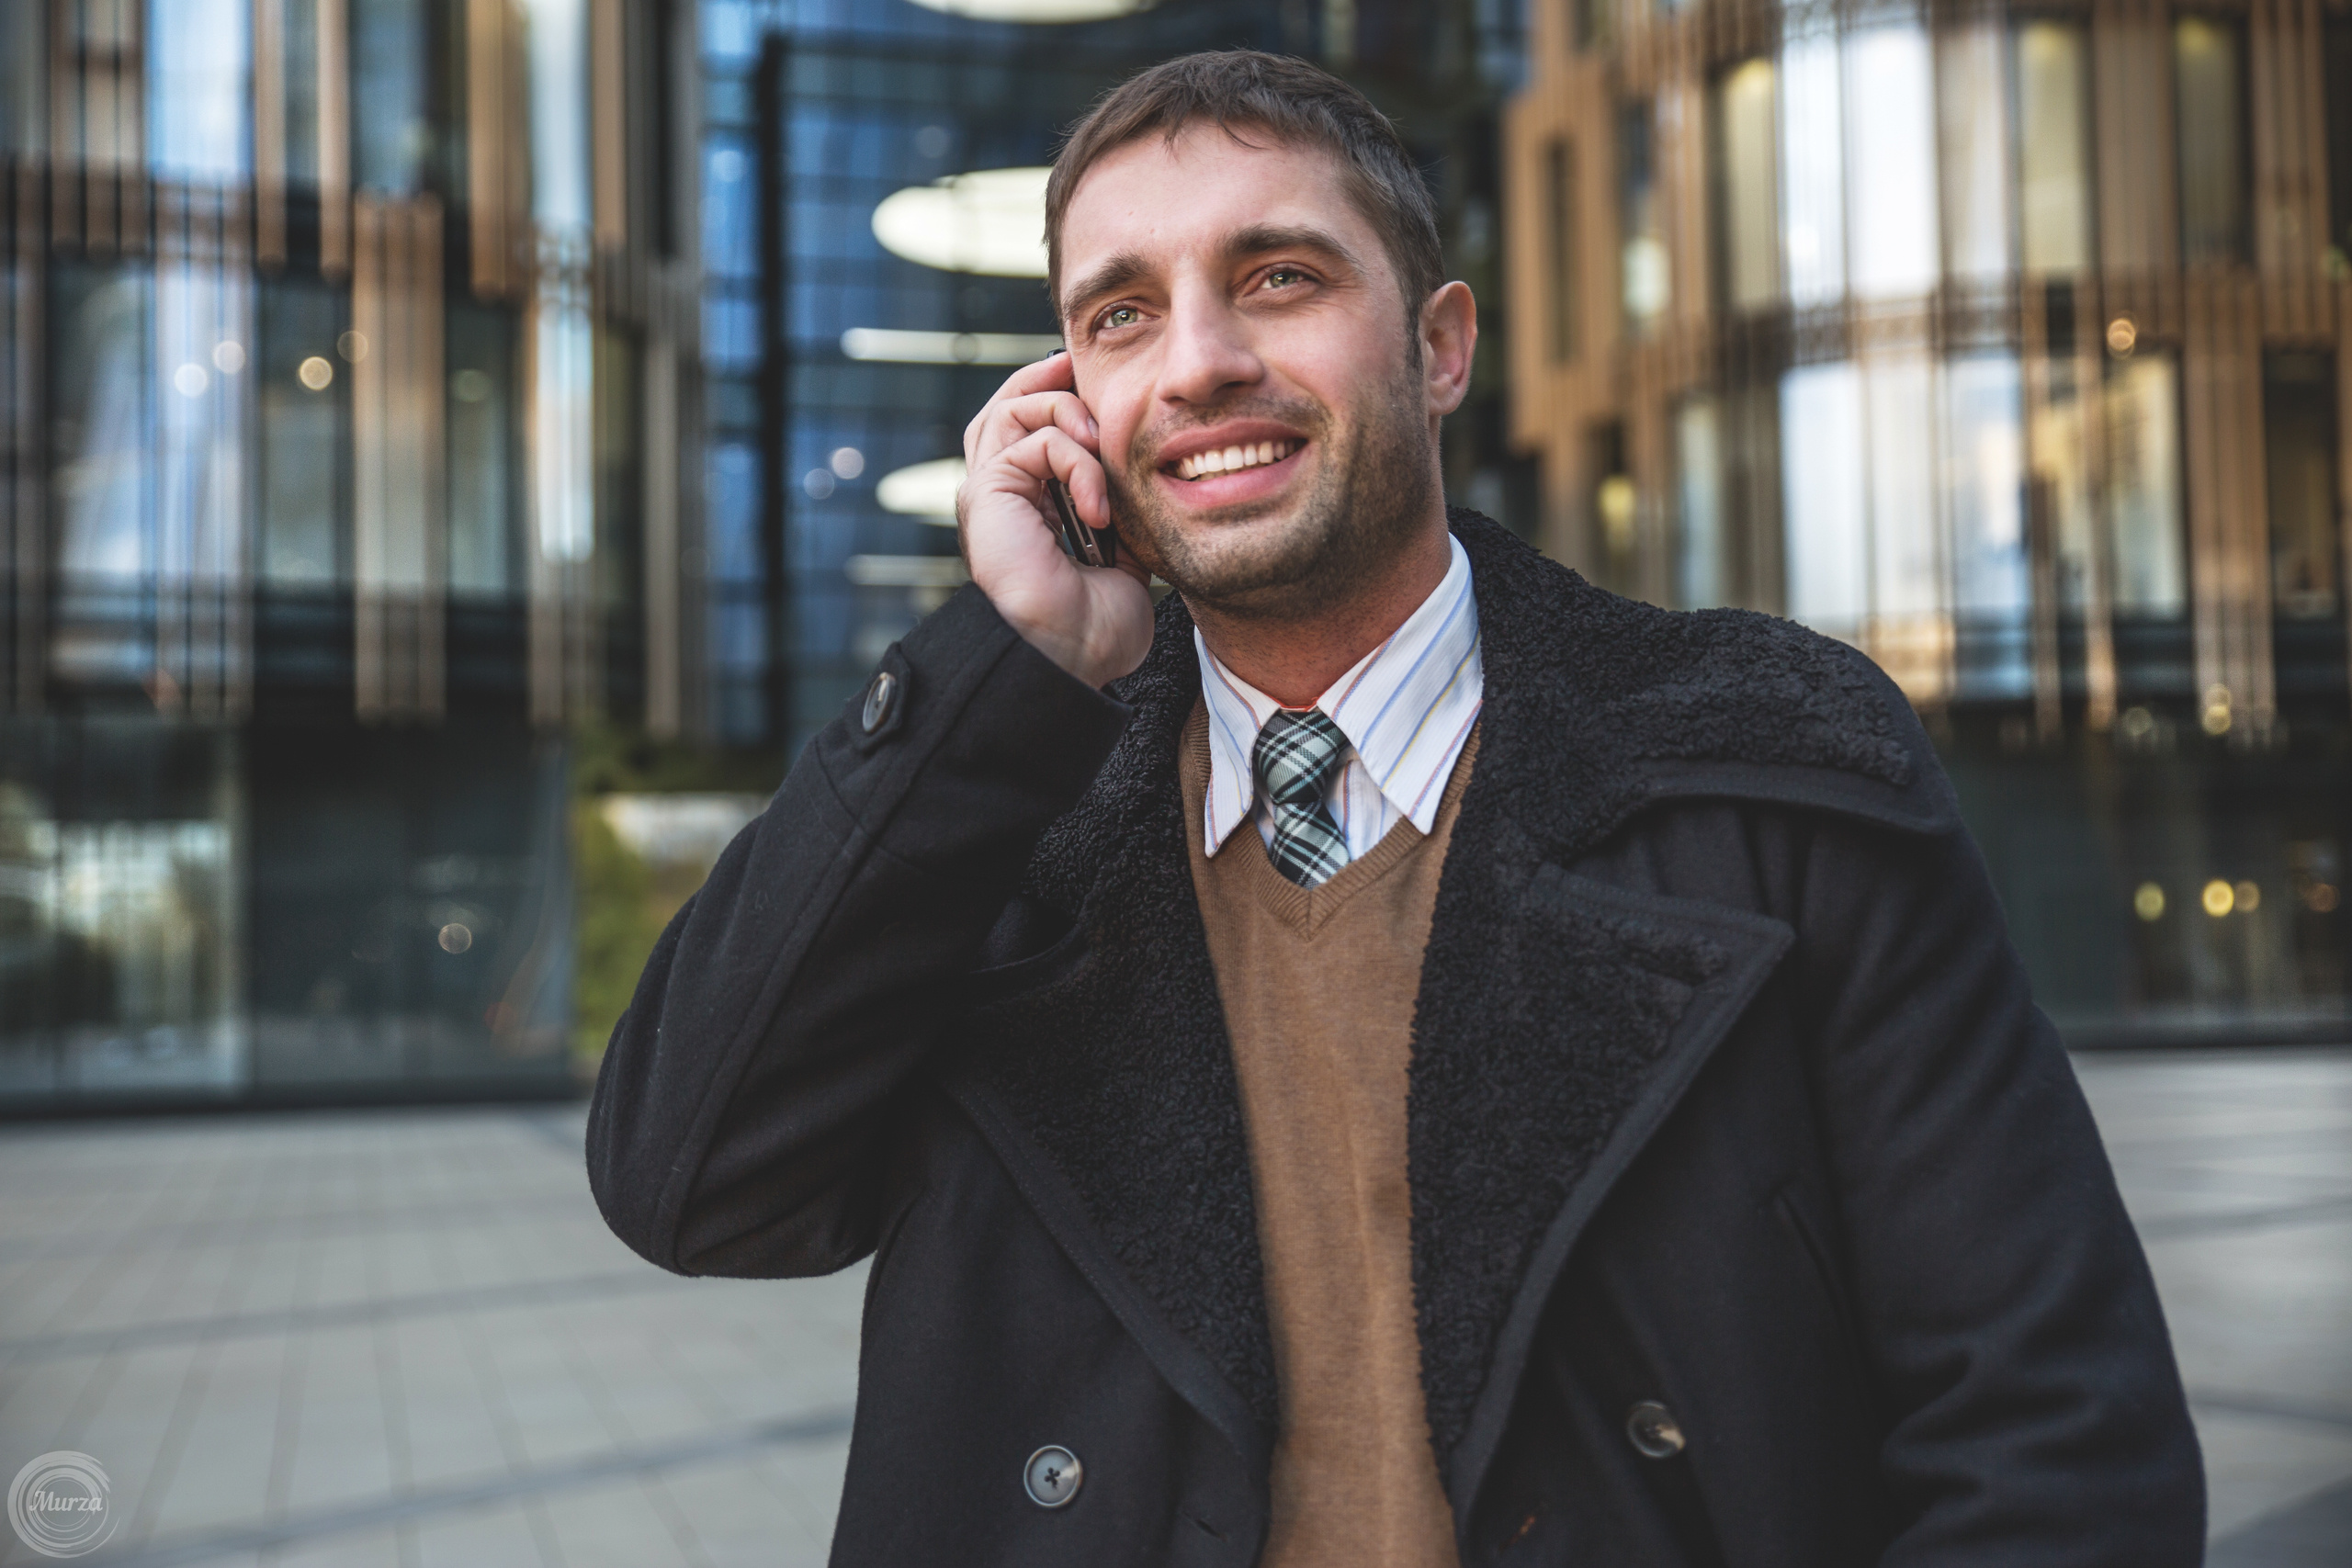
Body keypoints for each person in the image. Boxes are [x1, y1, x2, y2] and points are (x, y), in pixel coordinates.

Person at [588, 49, 2201, 1567]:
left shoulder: (1774, 758)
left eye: (1277, 277)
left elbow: (2053, 1429)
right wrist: (1002, 675)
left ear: (1437, 347)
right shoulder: (1003, 819)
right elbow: (695, 1182)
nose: (1203, 360)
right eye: (1123, 314)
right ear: (1068, 395)